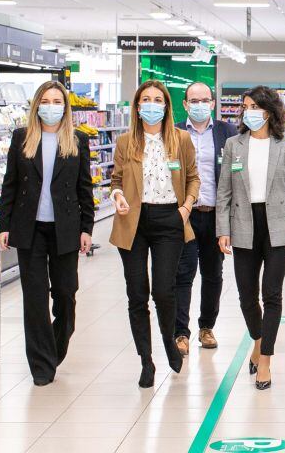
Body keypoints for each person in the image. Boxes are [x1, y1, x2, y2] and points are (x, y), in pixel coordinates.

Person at [0, 81, 94, 387]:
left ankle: (56, 345)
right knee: (35, 297)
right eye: (46, 100)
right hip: (30, 228)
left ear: (65, 107)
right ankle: (41, 364)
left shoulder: (77, 140)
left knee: (66, 294)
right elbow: (9, 184)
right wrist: (4, 225)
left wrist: (87, 229)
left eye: (57, 101)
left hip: (65, 228)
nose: (51, 106)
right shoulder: (22, 138)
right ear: (37, 104)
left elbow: (84, 188)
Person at [110, 80, 199, 388]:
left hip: (169, 220)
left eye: (157, 99)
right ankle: (146, 361)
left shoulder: (181, 139)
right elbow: (116, 180)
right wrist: (117, 195)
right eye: (145, 99)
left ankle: (170, 345)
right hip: (132, 221)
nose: (151, 104)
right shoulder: (126, 142)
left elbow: (193, 178)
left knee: (163, 290)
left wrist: (185, 209)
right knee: (136, 293)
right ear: (137, 107)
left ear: (166, 105)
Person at [217, 86, 285, 390]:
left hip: (278, 224)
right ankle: (257, 339)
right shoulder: (234, 144)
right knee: (246, 295)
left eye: (254, 106)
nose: (248, 112)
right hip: (243, 222)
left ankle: (265, 358)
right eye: (245, 107)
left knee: (272, 294)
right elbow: (224, 190)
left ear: (268, 111)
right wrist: (222, 229)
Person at [174, 82, 237, 357]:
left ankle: (206, 328)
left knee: (213, 275)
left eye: (205, 100)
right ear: (185, 104)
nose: (200, 105)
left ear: (213, 103)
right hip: (184, 215)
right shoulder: (174, 132)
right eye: (194, 100)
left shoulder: (227, 132)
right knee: (183, 274)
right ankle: (180, 333)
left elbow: (236, 174)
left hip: (215, 214)